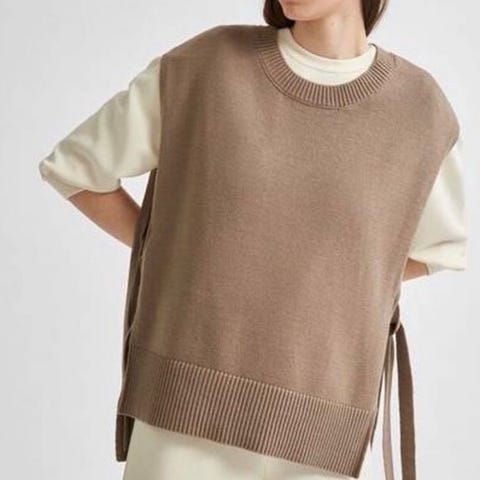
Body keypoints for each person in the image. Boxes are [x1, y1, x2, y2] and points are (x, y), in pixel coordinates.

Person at [38, 1, 466, 479]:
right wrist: (178, 247)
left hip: (317, 428)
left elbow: (441, 248)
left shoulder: (419, 110)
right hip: (181, 411)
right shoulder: (206, 67)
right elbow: (78, 170)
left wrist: (338, 281)